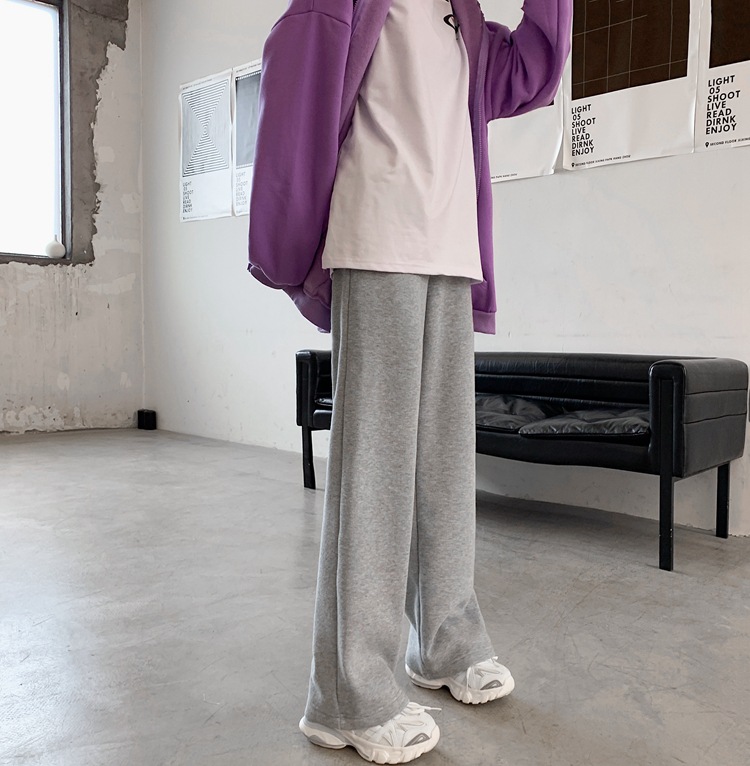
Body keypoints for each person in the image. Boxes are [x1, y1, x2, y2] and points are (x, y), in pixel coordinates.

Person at [248, 0, 572, 761]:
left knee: (446, 469)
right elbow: (292, 94)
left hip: (452, 253)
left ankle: (447, 643)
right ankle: (347, 697)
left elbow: (531, 73)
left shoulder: (461, 15)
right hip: (378, 241)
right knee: (377, 475)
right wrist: (289, 250)